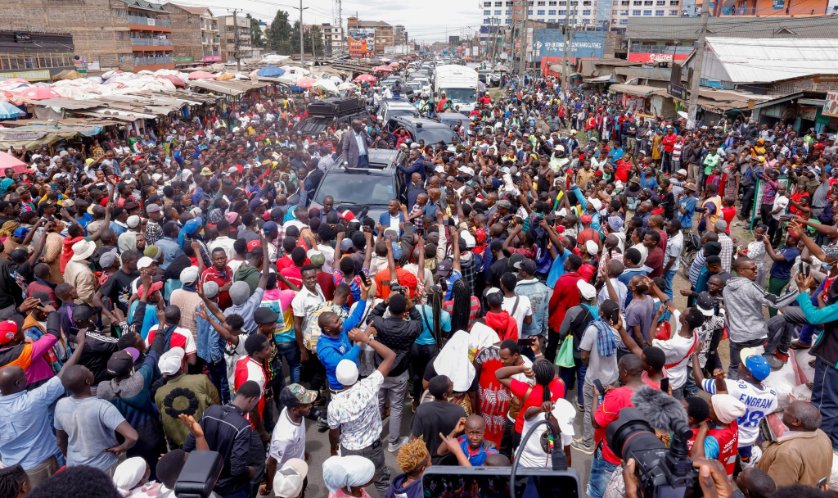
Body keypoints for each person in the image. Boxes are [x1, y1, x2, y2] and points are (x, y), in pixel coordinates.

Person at [0, 327, 86, 488]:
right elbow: (63, 374)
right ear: (18, 383)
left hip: (11, 470)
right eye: (24, 376)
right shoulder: (34, 400)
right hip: (42, 465)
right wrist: (81, 344)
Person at [327, 330, 397, 495]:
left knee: (353, 485)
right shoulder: (370, 384)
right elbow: (390, 356)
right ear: (356, 373)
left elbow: (334, 432)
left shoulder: (334, 405)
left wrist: (333, 448)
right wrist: (366, 339)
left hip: (350, 450)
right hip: (374, 446)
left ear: (339, 379)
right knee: (381, 481)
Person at [694, 347, 778, 465]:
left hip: (729, 433)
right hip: (749, 436)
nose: (739, 363)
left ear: (748, 375)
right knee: (746, 455)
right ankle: (746, 462)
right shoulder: (772, 394)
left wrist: (695, 355)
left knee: (723, 455)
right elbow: (769, 410)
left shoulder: (733, 387)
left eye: (743, 364)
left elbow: (700, 382)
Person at [54, 363, 140, 474]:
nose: (91, 371)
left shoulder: (60, 405)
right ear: (87, 381)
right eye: (88, 371)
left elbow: (60, 441)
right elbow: (133, 436)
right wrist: (122, 447)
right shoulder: (102, 407)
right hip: (103, 468)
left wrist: (71, 458)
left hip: (75, 469)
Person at [183, 380, 262, 498]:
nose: (253, 408)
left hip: (206, 482)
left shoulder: (210, 411)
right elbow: (237, 469)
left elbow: (189, 445)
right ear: (252, 400)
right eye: (255, 403)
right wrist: (250, 471)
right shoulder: (243, 426)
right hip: (230, 489)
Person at [724, 258, 798, 378]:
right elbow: (777, 302)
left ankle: (731, 386)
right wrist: (799, 291)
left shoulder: (726, 288)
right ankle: (770, 353)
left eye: (756, 268)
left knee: (734, 367)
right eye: (753, 269)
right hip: (755, 337)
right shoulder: (751, 287)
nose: (756, 271)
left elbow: (728, 313)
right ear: (741, 271)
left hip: (736, 337)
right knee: (785, 318)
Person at [757, 400, 833, 487]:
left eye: (787, 410)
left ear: (796, 421)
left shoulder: (788, 453)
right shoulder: (822, 435)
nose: (784, 409)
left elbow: (778, 489)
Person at [260, 384, 317, 497]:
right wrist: (269, 486)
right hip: (289, 476)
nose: (310, 406)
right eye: (306, 404)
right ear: (294, 409)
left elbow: (297, 439)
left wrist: (303, 452)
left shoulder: (293, 412)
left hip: (299, 467)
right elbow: (271, 463)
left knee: (303, 485)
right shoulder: (284, 437)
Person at [411, 374, 466, 464]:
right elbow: (463, 438)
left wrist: (425, 460)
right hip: (452, 458)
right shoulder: (459, 411)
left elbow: (414, 439)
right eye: (450, 385)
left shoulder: (421, 410)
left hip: (429, 459)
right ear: (445, 395)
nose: (453, 383)